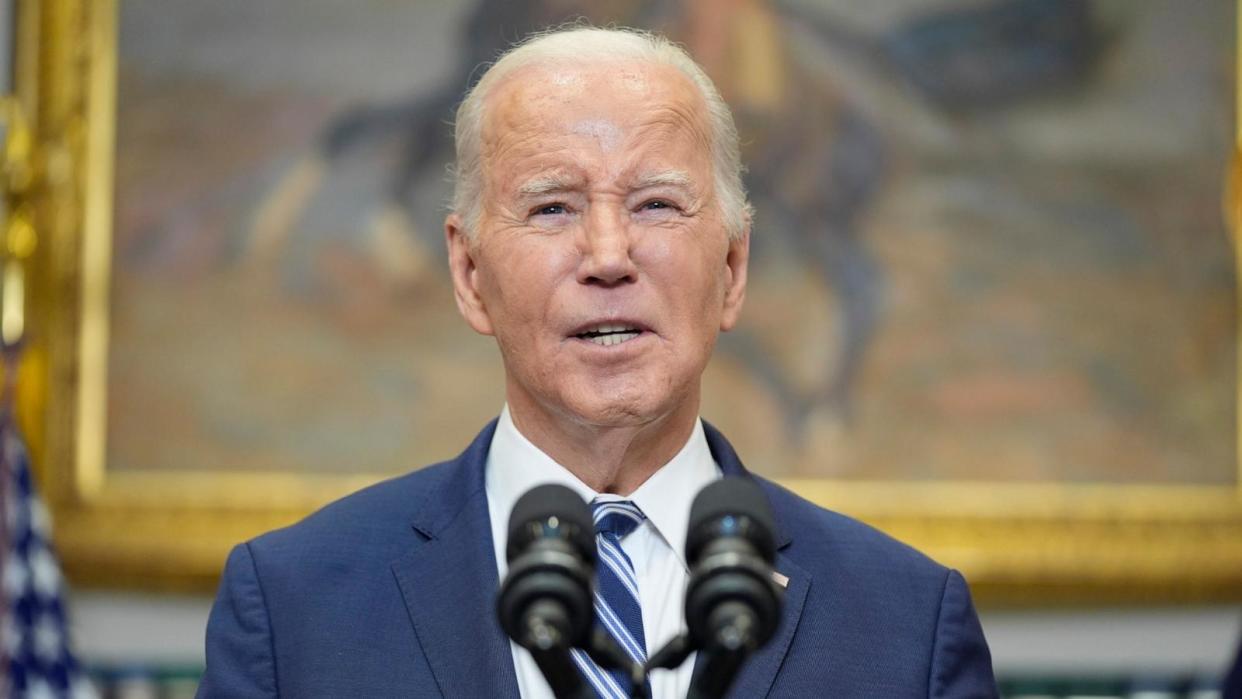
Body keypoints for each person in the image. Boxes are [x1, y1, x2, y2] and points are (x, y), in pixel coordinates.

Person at [197, 26, 997, 699]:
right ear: (470, 274)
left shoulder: (907, 625)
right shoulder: (296, 608)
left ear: (733, 268)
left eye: (656, 204)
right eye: (552, 207)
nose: (609, 256)